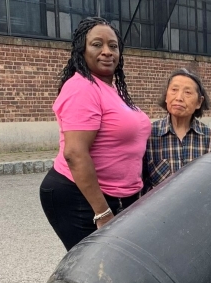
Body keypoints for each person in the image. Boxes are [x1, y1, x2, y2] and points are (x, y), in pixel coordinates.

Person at [39, 17, 151, 251]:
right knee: (94, 273)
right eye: (97, 44)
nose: (107, 51)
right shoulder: (82, 87)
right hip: (80, 199)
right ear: (82, 50)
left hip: (117, 197)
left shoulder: (112, 89)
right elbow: (75, 153)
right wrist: (102, 212)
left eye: (113, 45)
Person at [143, 68, 211, 191]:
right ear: (166, 96)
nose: (179, 98)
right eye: (174, 90)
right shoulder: (149, 135)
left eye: (187, 92)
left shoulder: (209, 139)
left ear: (199, 102)